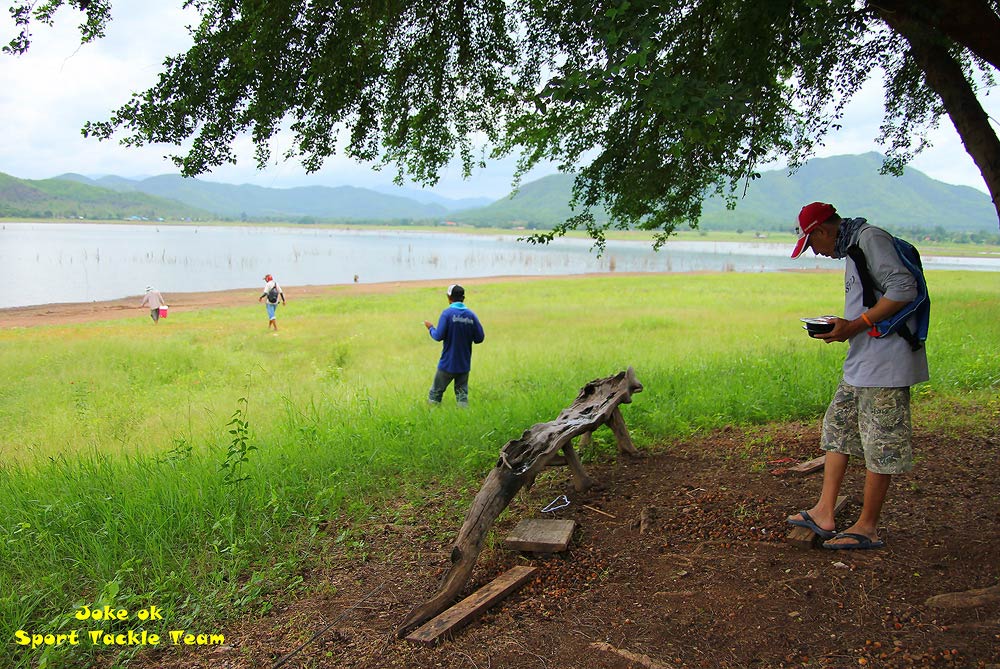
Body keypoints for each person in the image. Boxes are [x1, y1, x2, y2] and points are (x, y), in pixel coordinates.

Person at [785, 202, 929, 550]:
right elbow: (872, 299)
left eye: (811, 244)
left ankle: (867, 527)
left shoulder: (869, 239)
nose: (816, 252)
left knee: (880, 444)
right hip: (861, 362)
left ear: (821, 230)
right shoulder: (853, 248)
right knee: (838, 429)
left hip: (886, 364)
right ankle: (824, 512)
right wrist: (846, 324)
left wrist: (856, 325)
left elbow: (903, 289)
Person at [423, 284, 485, 407]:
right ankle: (464, 419)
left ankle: (431, 418)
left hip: (447, 363)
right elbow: (479, 338)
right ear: (463, 298)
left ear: (449, 298)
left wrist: (430, 328)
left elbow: (438, 336)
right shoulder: (471, 315)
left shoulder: (447, 314)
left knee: (435, 393)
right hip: (464, 364)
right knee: (462, 396)